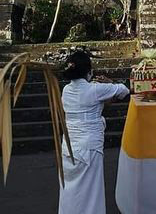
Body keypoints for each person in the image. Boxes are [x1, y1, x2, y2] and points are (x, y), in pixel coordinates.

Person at [58, 50, 130, 214]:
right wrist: (109, 82)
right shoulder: (95, 90)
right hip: (88, 147)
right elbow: (123, 90)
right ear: (88, 71)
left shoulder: (66, 91)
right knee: (91, 192)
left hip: (69, 146)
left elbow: (96, 105)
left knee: (69, 190)